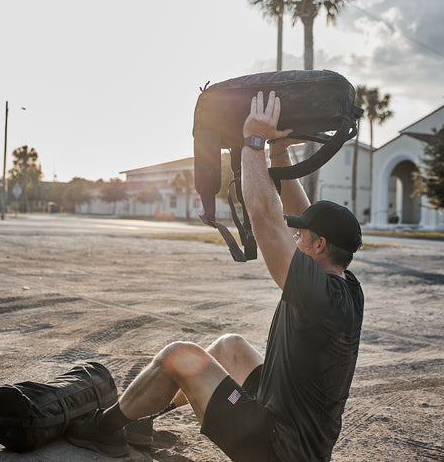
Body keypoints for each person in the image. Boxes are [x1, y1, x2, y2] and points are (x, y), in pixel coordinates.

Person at [66, 91, 364, 461]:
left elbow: (264, 214)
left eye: (301, 236)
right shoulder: (345, 285)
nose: (294, 236)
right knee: (230, 347)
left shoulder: (316, 294)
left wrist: (253, 140)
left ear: (319, 246)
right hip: (289, 425)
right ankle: (141, 418)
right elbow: (303, 216)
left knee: (178, 355)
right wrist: (280, 152)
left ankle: (104, 429)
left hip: (275, 447)